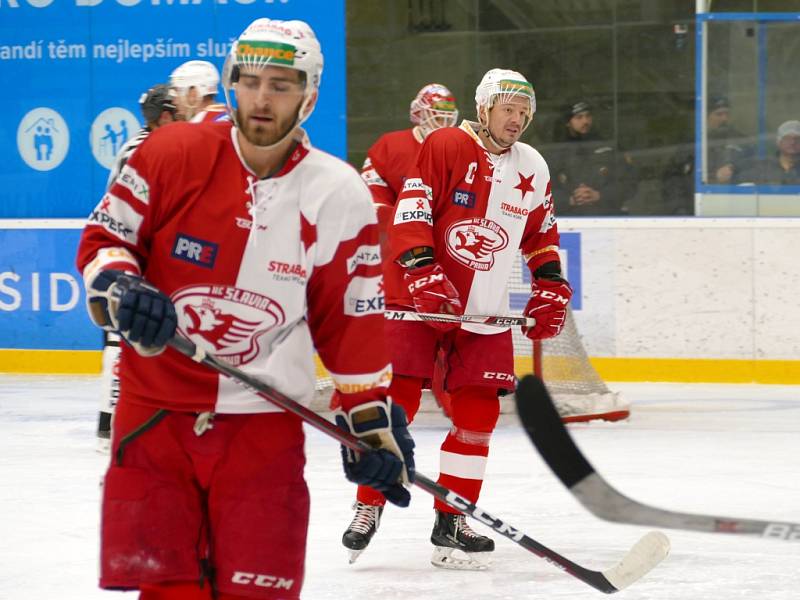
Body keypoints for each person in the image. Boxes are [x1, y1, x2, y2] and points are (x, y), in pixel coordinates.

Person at [76, 18, 415, 600]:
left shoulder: (337, 193)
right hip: (157, 415)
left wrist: (371, 425)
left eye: (281, 84)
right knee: (167, 590)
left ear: (308, 96)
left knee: (259, 592)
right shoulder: (169, 152)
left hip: (265, 426)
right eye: (250, 80)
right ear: (233, 83)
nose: (261, 98)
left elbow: (350, 324)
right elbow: (106, 243)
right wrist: (120, 288)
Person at [341, 68, 572, 570]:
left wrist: (551, 287)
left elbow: (541, 235)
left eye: (525, 113)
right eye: (508, 109)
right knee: (394, 404)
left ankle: (453, 516)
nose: (517, 120)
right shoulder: (447, 144)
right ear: (485, 107)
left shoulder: (532, 165)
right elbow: (413, 211)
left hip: (483, 310)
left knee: (478, 416)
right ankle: (368, 505)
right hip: (418, 299)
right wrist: (422, 271)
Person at [97, 83, 179, 452]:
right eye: (177, 112)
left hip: (126, 247)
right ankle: (111, 422)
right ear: (165, 116)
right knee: (120, 337)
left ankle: (109, 422)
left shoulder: (138, 144)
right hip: (134, 251)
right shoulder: (149, 150)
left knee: (118, 335)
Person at [547, 100, 633, 215]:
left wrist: (599, 195)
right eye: (579, 117)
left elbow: (629, 183)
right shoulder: (555, 153)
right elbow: (542, 191)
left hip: (608, 219)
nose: (585, 121)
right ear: (568, 122)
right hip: (568, 222)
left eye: (588, 116)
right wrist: (569, 200)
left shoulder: (610, 148)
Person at [735, 120, 800, 185]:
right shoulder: (763, 168)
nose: (792, 142)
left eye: (797, 139)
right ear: (778, 142)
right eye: (787, 138)